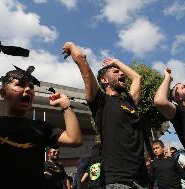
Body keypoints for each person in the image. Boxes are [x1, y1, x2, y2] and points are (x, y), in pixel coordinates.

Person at [0, 66, 82, 189]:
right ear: (4, 93)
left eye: (31, 86)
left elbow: (74, 139)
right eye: (20, 85)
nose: (28, 89)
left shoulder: (41, 127)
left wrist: (66, 106)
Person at [63, 42, 149, 189]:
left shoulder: (129, 102)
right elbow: (81, 58)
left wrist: (117, 63)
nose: (121, 73)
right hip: (118, 180)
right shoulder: (100, 101)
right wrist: (70, 46)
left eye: (121, 71)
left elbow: (137, 78)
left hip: (141, 179)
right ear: (104, 81)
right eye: (115, 72)